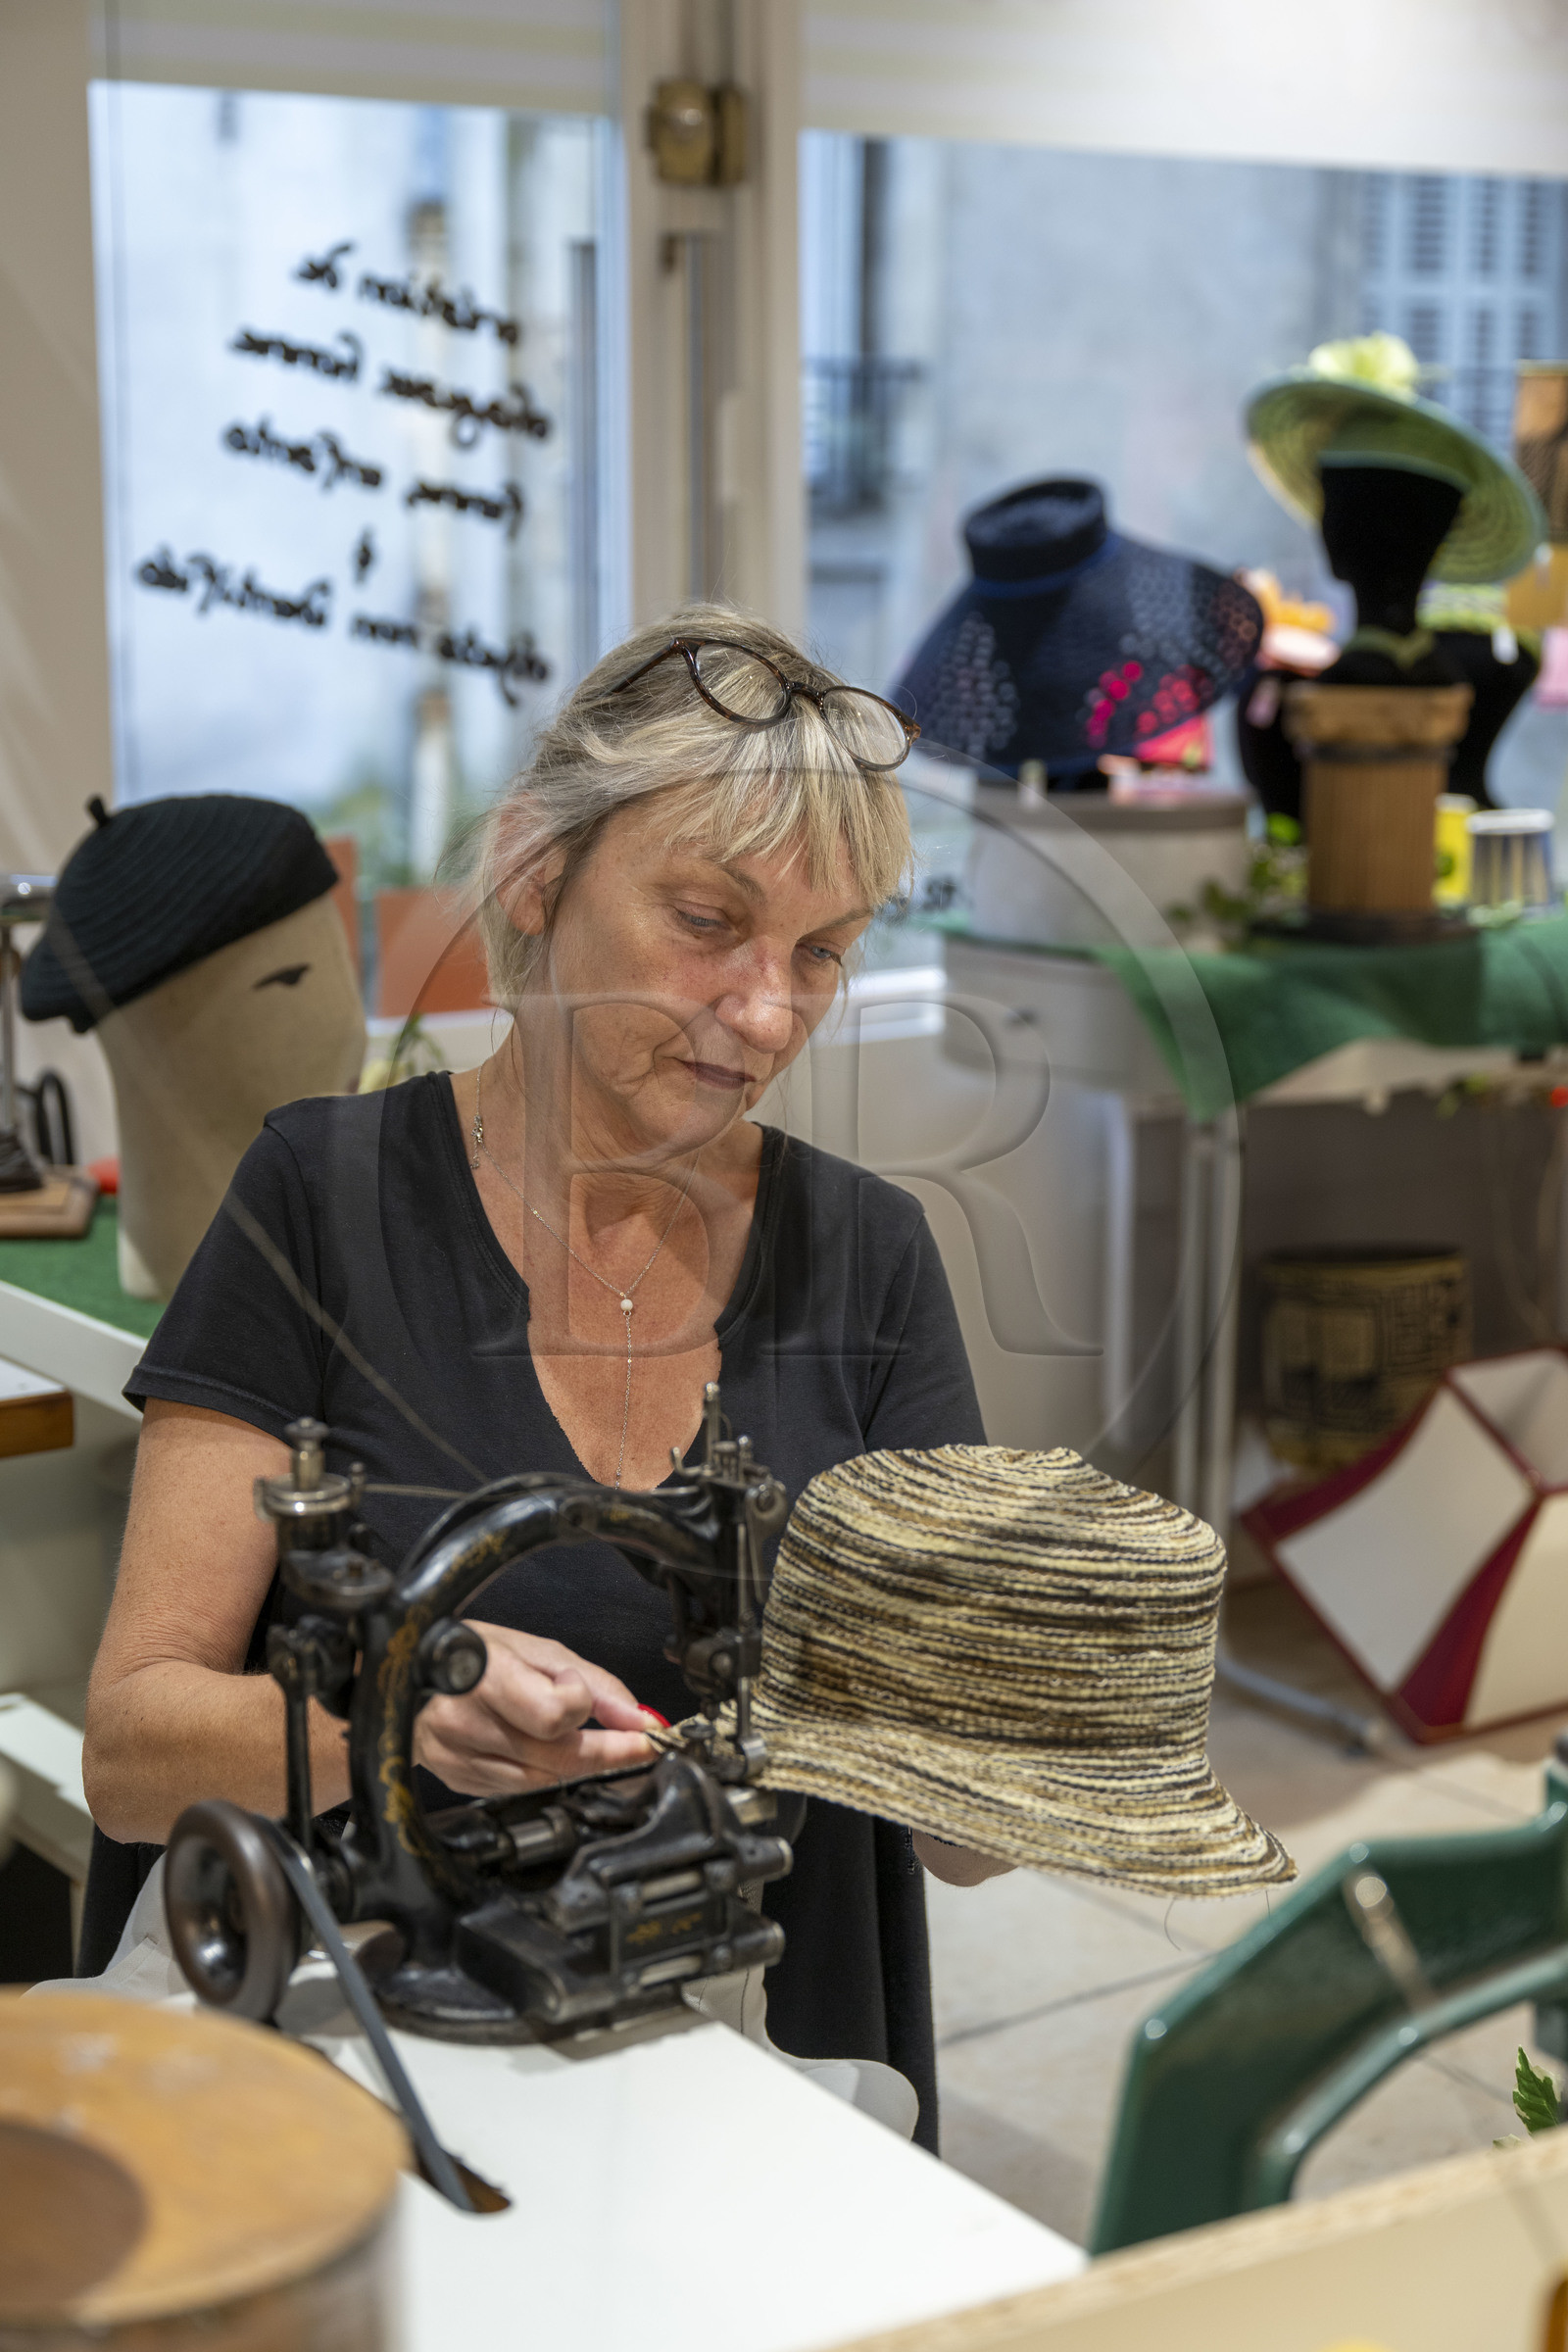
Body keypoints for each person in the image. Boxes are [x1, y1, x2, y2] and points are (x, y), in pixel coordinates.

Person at [80, 607, 1006, 2150]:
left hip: (745, 2069)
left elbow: (963, 1833)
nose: (769, 1012)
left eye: (821, 952)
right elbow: (130, 1753)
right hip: (355, 2057)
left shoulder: (871, 1256)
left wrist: (1039, 1723)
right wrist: (395, 1716)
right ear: (533, 869)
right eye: (706, 921)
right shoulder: (321, 1201)